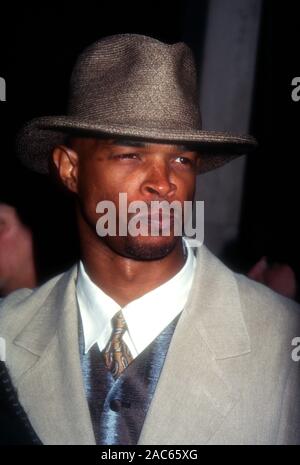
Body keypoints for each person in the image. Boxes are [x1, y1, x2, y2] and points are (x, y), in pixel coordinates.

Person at [0, 34, 299, 445]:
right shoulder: (9, 334)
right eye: (130, 154)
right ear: (70, 169)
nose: (164, 183)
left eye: (181, 159)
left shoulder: (282, 339)